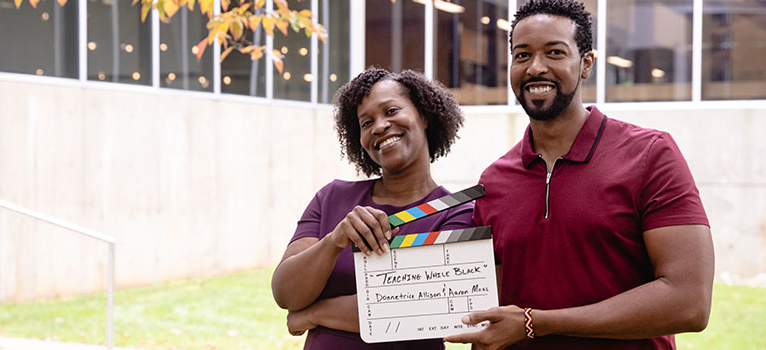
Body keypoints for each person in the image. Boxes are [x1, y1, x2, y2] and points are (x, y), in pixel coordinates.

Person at [444, 1, 714, 349]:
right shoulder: (494, 181)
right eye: (522, 55)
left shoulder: (651, 154)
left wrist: (536, 323)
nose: (535, 67)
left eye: (554, 52)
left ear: (586, 63)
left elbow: (689, 303)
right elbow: (483, 301)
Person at [271, 67, 473, 350]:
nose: (379, 126)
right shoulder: (332, 197)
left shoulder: (457, 212)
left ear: (424, 115)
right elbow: (286, 294)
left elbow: (419, 307)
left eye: (391, 111)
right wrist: (334, 241)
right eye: (366, 123)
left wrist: (313, 313)